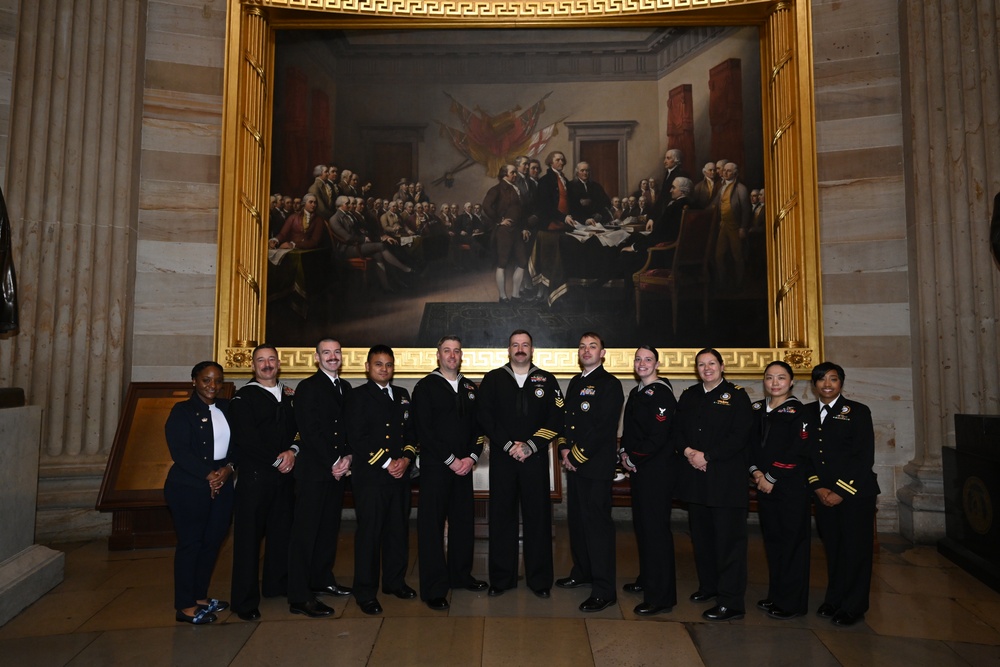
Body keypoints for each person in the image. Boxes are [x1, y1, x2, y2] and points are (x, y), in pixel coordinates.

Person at [477, 329, 564, 598]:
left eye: (525, 345)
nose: (520, 349)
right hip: (503, 461)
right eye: (515, 345)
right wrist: (507, 445)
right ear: (508, 349)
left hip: (534, 460)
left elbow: (557, 418)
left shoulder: (547, 380)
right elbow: (485, 417)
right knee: (502, 518)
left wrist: (530, 445)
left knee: (538, 519)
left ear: (532, 349)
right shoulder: (493, 379)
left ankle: (540, 582)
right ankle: (501, 579)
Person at [672, 347, 753, 621]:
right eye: (701, 364)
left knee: (729, 542)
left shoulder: (737, 396)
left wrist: (708, 456)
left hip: (726, 481)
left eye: (711, 363)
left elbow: (740, 436)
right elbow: (677, 430)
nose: (706, 368)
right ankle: (709, 587)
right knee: (703, 539)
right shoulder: (689, 395)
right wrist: (688, 453)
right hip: (696, 479)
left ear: (721, 366)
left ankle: (731, 601)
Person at [413, 335, 488, 611]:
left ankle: (460, 575)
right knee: (431, 527)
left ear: (461, 356)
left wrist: (470, 457)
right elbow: (424, 431)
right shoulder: (425, 387)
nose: (452, 355)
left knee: (463, 523)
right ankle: (434, 588)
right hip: (436, 469)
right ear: (438, 355)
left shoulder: (470, 387)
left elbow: (479, 429)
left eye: (456, 351)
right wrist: (450, 460)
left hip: (464, 468)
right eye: (447, 351)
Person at [803, 361, 879, 627]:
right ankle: (834, 599)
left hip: (855, 495)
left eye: (833, 379)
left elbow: (863, 457)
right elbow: (806, 455)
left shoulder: (857, 411)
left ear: (841, 383)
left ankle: (854, 606)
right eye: (822, 380)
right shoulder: (807, 412)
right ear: (814, 385)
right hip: (823, 495)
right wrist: (818, 488)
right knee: (834, 549)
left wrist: (840, 491)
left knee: (856, 551)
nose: (827, 384)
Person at [228, 344, 299, 622]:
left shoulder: (290, 395)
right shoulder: (243, 398)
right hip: (255, 479)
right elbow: (246, 440)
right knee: (248, 541)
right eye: (261, 360)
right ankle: (244, 602)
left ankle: (276, 585)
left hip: (285, 477)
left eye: (271, 359)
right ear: (253, 365)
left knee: (282, 533)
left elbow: (298, 430)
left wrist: (293, 453)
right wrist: (276, 460)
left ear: (278, 363)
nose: (267, 364)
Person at [346, 345, 418, 616]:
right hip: (372, 478)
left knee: (398, 530)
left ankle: (394, 581)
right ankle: (365, 591)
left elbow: (411, 433)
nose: (384, 369)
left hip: (400, 476)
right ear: (367, 367)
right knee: (370, 534)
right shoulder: (357, 397)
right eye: (378, 364)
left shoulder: (402, 395)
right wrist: (389, 463)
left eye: (388, 364)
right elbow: (358, 437)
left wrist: (406, 460)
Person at [556, 332, 624, 612]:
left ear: (602, 353)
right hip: (575, 466)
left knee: (597, 528)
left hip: (594, 468)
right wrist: (563, 450)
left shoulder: (610, 384)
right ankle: (582, 572)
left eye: (592, 346)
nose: (586, 350)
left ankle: (604, 589)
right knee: (578, 523)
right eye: (582, 347)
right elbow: (565, 420)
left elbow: (603, 428)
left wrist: (576, 455)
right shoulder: (575, 382)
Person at [286, 338, 353, 618]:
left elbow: (350, 427)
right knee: (305, 533)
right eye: (326, 352)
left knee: (328, 529)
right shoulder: (308, 387)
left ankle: (322, 578)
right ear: (317, 358)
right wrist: (334, 461)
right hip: (315, 472)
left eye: (337, 352)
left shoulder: (346, 387)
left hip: (337, 473)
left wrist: (348, 457)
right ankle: (300, 596)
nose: (332, 356)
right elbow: (310, 431)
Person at [164, 361, 234, 625]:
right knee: (190, 544)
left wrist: (227, 470)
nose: (212, 386)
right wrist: (209, 475)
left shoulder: (228, 408)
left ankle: (201, 597)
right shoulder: (182, 411)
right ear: (194, 381)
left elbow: (238, 444)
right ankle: (185, 605)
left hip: (223, 484)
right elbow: (179, 451)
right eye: (206, 380)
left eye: (217, 380)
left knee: (213, 541)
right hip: (188, 487)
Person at [619, 345, 679, 616]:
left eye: (648, 360)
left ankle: (661, 597)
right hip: (640, 470)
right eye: (638, 359)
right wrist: (623, 451)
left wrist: (633, 458)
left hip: (656, 472)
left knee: (656, 532)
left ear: (657, 364)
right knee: (643, 528)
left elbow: (658, 435)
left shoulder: (662, 392)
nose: (642, 363)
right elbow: (630, 430)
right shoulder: (637, 391)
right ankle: (648, 579)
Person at [748, 361, 810, 620]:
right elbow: (749, 444)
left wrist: (771, 476)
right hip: (764, 485)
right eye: (769, 377)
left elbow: (797, 450)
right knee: (774, 543)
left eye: (781, 378)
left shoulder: (799, 412)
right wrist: (756, 472)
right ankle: (777, 595)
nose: (774, 383)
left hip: (790, 488)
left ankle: (792, 603)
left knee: (792, 545)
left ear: (792, 382)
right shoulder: (757, 409)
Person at [482, 164, 529, 303]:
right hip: (504, 231)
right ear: (504, 175)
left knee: (522, 262)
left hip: (517, 230)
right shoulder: (496, 189)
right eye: (512, 173)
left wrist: (524, 227)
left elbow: (522, 212)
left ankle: (515, 295)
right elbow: (486, 206)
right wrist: (499, 220)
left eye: (515, 172)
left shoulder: (517, 188)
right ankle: (503, 296)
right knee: (502, 263)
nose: (515, 175)